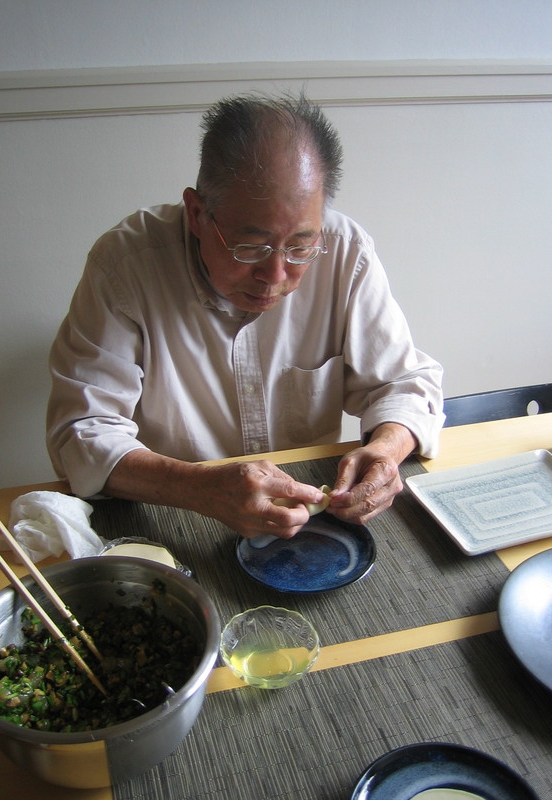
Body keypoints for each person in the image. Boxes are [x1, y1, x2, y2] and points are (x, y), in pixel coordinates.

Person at [47, 93, 444, 541]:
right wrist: (199, 487)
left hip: (310, 522)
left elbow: (405, 382)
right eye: (250, 247)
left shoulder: (346, 253)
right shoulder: (126, 265)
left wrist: (387, 450)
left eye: (299, 247)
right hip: (177, 512)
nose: (275, 276)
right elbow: (80, 431)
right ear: (197, 213)